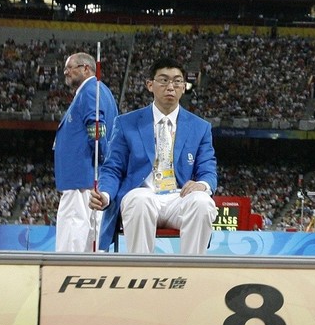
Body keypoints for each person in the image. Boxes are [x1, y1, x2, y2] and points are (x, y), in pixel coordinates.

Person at [89, 59, 217, 254]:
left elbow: (208, 169)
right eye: (164, 81)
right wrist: (105, 195)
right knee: (140, 199)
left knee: (202, 202)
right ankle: (142, 274)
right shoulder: (126, 123)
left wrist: (203, 185)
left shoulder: (200, 127)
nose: (171, 87)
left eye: (177, 81)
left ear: (184, 87)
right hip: (143, 195)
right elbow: (113, 168)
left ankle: (191, 272)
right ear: (150, 85)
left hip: (179, 198)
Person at [54, 52, 119, 252]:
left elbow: (97, 128)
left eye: (70, 67)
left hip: (83, 176)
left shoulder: (91, 91)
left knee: (74, 228)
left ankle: (66, 273)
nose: (66, 72)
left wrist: (102, 161)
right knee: (91, 232)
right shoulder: (99, 91)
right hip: (87, 175)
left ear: (86, 68)